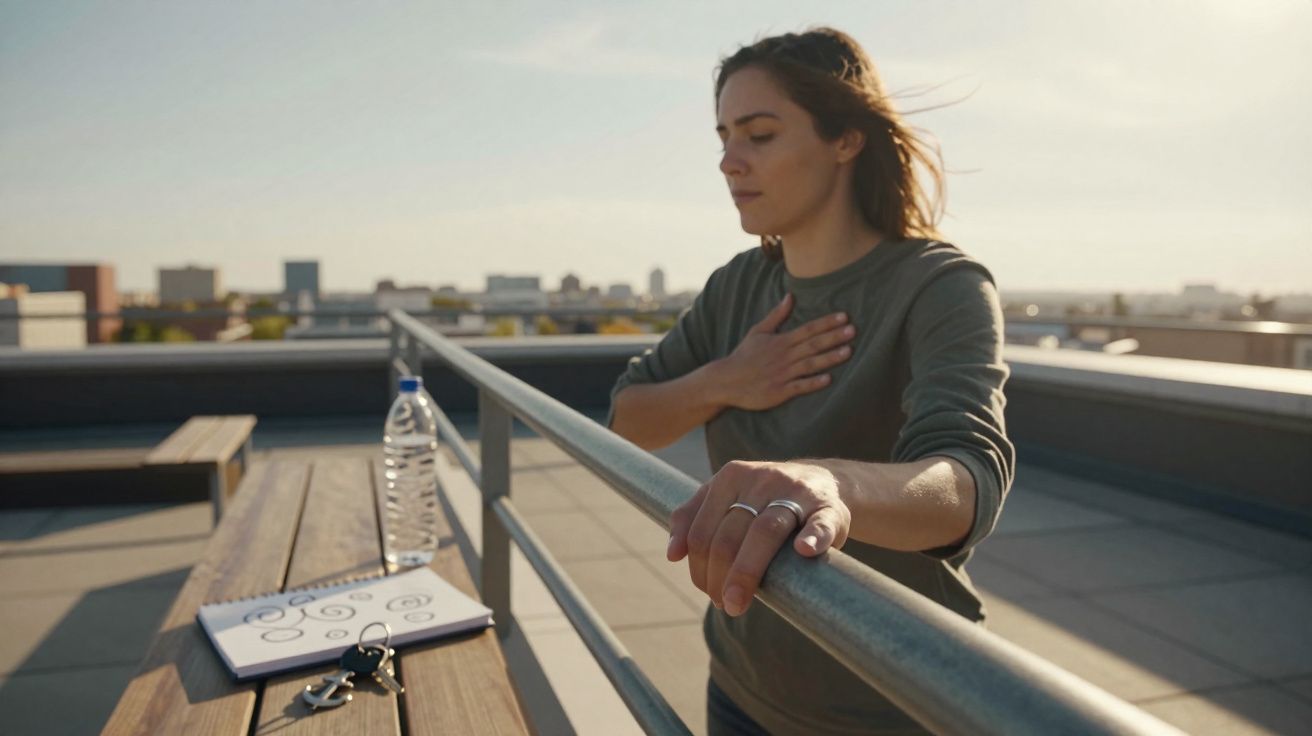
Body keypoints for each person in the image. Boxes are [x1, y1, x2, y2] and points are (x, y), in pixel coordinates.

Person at [604, 25, 1014, 735]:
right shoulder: (736, 287)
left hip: (900, 703)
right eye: (724, 137)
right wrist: (726, 380)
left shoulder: (941, 286)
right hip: (741, 690)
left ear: (846, 139)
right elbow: (627, 421)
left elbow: (966, 485)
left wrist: (827, 485)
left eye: (759, 135)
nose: (729, 162)